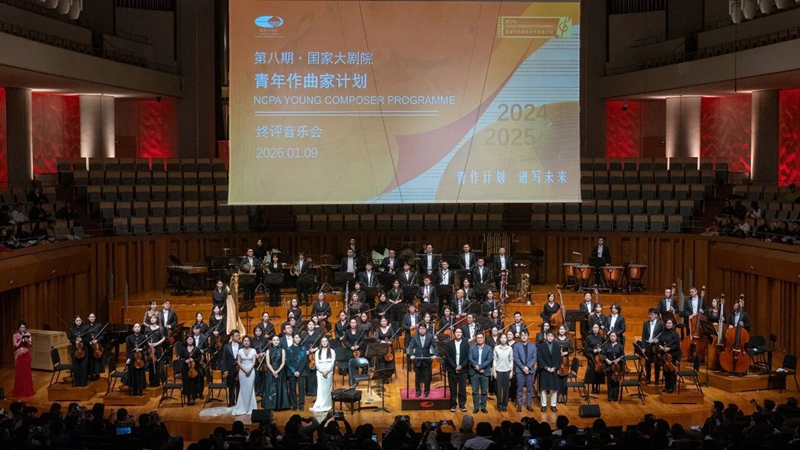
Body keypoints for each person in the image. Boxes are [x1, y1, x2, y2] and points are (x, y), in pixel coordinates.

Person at [409, 323, 437, 397]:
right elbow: (411, 346)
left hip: (426, 359)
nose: (422, 330)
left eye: (423, 329)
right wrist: (411, 355)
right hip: (417, 359)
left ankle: (426, 391)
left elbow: (435, 346)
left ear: (426, 329)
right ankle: (418, 391)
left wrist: (435, 354)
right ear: (418, 329)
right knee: (417, 377)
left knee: (427, 377)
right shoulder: (414, 336)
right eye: (420, 329)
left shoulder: (430, 336)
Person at [446, 328, 470, 412]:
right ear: (454, 333)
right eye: (457, 332)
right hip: (452, 369)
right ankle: (453, 405)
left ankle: (462, 405)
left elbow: (468, 357)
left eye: (460, 332)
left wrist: (461, 366)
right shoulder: (449, 344)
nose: (458, 333)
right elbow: (448, 357)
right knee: (453, 388)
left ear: (462, 333)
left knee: (462, 388)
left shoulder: (466, 344)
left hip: (463, 370)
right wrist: (454, 366)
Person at [233, 336, 259, 415]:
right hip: (242, 372)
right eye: (245, 341)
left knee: (250, 388)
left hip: (251, 371)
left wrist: (249, 369)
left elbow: (254, 362)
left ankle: (251, 407)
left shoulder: (253, 350)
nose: (246, 342)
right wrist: (244, 370)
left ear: (250, 342)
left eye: (248, 341)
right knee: (243, 389)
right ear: (243, 342)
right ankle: (242, 407)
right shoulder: (240, 351)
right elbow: (239, 362)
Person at [263, 334, 289, 410]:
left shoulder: (282, 350)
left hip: (280, 371)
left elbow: (283, 362)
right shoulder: (268, 351)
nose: (276, 341)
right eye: (274, 340)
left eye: (277, 340)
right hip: (271, 371)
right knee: (271, 388)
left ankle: (280, 405)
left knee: (280, 387)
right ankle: (271, 405)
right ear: (271, 341)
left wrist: (277, 371)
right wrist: (273, 371)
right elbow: (268, 363)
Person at [538, 329, 561, 412]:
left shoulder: (557, 346)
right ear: (546, 336)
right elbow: (539, 358)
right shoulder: (541, 346)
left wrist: (554, 368)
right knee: (543, 388)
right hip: (544, 370)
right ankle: (543, 405)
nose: (550, 337)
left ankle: (553, 405)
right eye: (548, 336)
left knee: (554, 389)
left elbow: (559, 358)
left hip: (554, 370)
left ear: (554, 337)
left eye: (551, 336)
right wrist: (546, 367)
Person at [310, 337, 335, 412]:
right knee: (321, 389)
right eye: (323, 341)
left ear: (328, 342)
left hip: (329, 372)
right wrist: (322, 371)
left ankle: (327, 404)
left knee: (328, 389)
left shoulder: (332, 351)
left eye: (325, 341)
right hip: (320, 373)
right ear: (321, 343)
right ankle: (320, 403)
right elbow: (317, 363)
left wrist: (327, 371)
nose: (324, 342)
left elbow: (332, 362)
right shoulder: (317, 352)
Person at [469, 333, 492, 413]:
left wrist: (481, 367)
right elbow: (470, 358)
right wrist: (477, 367)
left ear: (484, 338)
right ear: (476, 339)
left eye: (481, 337)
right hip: (474, 372)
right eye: (478, 338)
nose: (479, 339)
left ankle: (483, 407)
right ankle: (476, 407)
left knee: (484, 391)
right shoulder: (472, 348)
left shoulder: (489, 348)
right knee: (475, 391)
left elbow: (489, 359)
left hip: (485, 372)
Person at [178, 335, 204, 405]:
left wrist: (193, 359)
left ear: (193, 340)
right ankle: (188, 397)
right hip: (186, 368)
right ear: (186, 341)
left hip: (194, 368)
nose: (190, 341)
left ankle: (193, 397)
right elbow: (180, 358)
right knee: (186, 383)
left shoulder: (196, 349)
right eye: (188, 339)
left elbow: (199, 358)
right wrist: (185, 360)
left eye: (191, 339)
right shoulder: (183, 349)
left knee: (193, 383)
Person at [641, 308, 665, 385]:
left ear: (656, 315)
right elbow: (643, 336)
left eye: (652, 314)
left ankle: (656, 379)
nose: (650, 316)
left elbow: (663, 334)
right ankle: (648, 378)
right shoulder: (645, 324)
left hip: (656, 347)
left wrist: (658, 339)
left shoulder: (661, 324)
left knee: (657, 363)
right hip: (648, 345)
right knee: (647, 362)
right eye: (649, 314)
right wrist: (643, 347)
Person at [286, 334, 309, 411]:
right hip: (292, 372)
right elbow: (288, 362)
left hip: (301, 372)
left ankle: (301, 404)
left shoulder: (303, 348)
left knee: (301, 389)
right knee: (292, 389)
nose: (297, 339)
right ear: (293, 338)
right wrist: (294, 371)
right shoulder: (289, 349)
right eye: (296, 338)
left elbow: (304, 361)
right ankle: (294, 405)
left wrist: (299, 371)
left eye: (299, 338)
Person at [12, 321, 34, 398]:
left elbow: (30, 344)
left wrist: (27, 340)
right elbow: (15, 345)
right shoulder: (15, 335)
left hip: (26, 354)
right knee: (19, 373)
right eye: (21, 327)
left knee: (26, 373)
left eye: (24, 327)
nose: (23, 329)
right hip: (19, 355)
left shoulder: (28, 334)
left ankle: (27, 391)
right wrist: (21, 339)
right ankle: (19, 391)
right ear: (19, 328)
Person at [492, 333, 513, 412]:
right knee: (498, 389)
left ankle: (505, 404)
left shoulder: (510, 348)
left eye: (505, 338)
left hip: (507, 370)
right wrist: (494, 371)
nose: (503, 339)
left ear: (506, 339)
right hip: (498, 370)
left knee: (506, 389)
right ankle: (499, 404)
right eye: (502, 338)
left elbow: (511, 360)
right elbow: (494, 360)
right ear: (500, 339)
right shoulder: (496, 348)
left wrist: (511, 371)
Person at [221, 330, 242, 407]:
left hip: (239, 368)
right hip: (230, 368)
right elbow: (224, 359)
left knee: (239, 385)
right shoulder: (226, 346)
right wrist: (225, 369)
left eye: (238, 335)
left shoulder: (241, 345)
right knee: (231, 385)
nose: (238, 337)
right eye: (236, 336)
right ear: (232, 337)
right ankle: (231, 401)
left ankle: (239, 401)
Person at [659, 319, 681, 393]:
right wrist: (660, 346)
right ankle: (666, 386)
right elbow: (660, 341)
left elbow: (677, 345)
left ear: (672, 324)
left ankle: (671, 387)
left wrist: (669, 348)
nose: (668, 325)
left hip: (672, 355)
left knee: (671, 371)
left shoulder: (675, 334)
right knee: (665, 372)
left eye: (670, 323)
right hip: (664, 356)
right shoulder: (663, 332)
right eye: (667, 323)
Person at [126, 323, 148, 396]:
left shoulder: (143, 337)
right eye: (135, 327)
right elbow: (128, 349)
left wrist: (141, 349)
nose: (137, 328)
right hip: (132, 357)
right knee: (133, 373)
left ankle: (140, 390)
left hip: (140, 357)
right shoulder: (129, 337)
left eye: (138, 327)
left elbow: (147, 346)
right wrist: (128, 358)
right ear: (133, 329)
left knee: (140, 374)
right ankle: (134, 390)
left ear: (140, 328)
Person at [584, 323, 605, 394]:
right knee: (593, 371)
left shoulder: (601, 337)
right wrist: (593, 350)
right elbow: (586, 348)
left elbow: (604, 346)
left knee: (599, 371)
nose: (595, 329)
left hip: (599, 357)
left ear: (599, 329)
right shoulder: (589, 337)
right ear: (592, 329)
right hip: (592, 356)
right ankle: (593, 387)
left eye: (597, 328)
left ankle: (597, 386)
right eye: (594, 327)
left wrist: (601, 349)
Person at [603, 331, 625, 402]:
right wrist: (607, 360)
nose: (612, 337)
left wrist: (618, 359)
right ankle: (610, 396)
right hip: (609, 366)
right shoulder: (606, 346)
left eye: (614, 336)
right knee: (609, 381)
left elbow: (623, 356)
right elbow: (603, 355)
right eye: (611, 336)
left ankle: (615, 397)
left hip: (617, 367)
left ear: (616, 337)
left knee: (616, 381)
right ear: (609, 337)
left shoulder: (620, 346)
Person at [554, 324, 573, 404]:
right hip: (557, 360)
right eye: (560, 329)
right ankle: (559, 395)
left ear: (565, 330)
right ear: (558, 330)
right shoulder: (555, 339)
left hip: (565, 361)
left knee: (564, 379)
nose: (562, 331)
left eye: (563, 329)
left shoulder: (568, 340)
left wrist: (566, 352)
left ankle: (563, 395)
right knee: (558, 379)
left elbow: (572, 350)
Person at [145, 314, 166, 386]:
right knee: (150, 364)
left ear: (157, 319)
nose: (152, 319)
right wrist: (148, 344)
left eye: (154, 318)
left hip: (157, 348)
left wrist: (156, 344)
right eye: (151, 318)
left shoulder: (160, 328)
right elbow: (145, 337)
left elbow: (163, 338)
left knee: (157, 364)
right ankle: (151, 382)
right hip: (149, 349)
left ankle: (157, 382)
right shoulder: (147, 328)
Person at [69, 316, 88, 387]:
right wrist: (75, 341)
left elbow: (87, 338)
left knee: (83, 366)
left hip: (84, 349)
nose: (78, 322)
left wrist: (82, 340)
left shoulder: (85, 329)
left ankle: (83, 382)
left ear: (81, 321)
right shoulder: (72, 329)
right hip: (75, 349)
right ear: (74, 322)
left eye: (79, 320)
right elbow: (70, 338)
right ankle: (76, 382)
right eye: (77, 321)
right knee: (76, 366)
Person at [85, 313, 104, 381]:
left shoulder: (99, 325)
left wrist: (97, 340)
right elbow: (85, 337)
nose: (92, 318)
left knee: (97, 360)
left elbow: (102, 336)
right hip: (89, 346)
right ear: (88, 318)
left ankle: (97, 373)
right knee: (90, 359)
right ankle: (91, 373)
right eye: (91, 317)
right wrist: (89, 342)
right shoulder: (86, 327)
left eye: (93, 317)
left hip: (97, 345)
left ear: (95, 318)